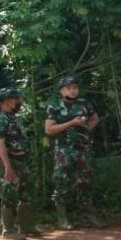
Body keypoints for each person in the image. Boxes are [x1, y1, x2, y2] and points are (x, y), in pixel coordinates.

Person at [44, 75, 103, 229]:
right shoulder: (55, 106)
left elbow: (95, 118)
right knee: (61, 181)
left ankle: (88, 214)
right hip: (64, 150)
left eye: (75, 87)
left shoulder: (85, 104)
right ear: (62, 90)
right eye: (69, 87)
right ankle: (62, 218)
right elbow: (49, 130)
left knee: (84, 181)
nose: (73, 90)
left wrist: (86, 130)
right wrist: (71, 123)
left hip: (83, 149)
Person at [0, 86, 38, 240]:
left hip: (21, 161)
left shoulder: (13, 118)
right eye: (16, 99)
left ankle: (26, 226)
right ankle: (8, 230)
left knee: (26, 194)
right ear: (7, 101)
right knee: (9, 194)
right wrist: (7, 166)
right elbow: (0, 144)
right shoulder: (0, 119)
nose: (19, 102)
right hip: (9, 162)